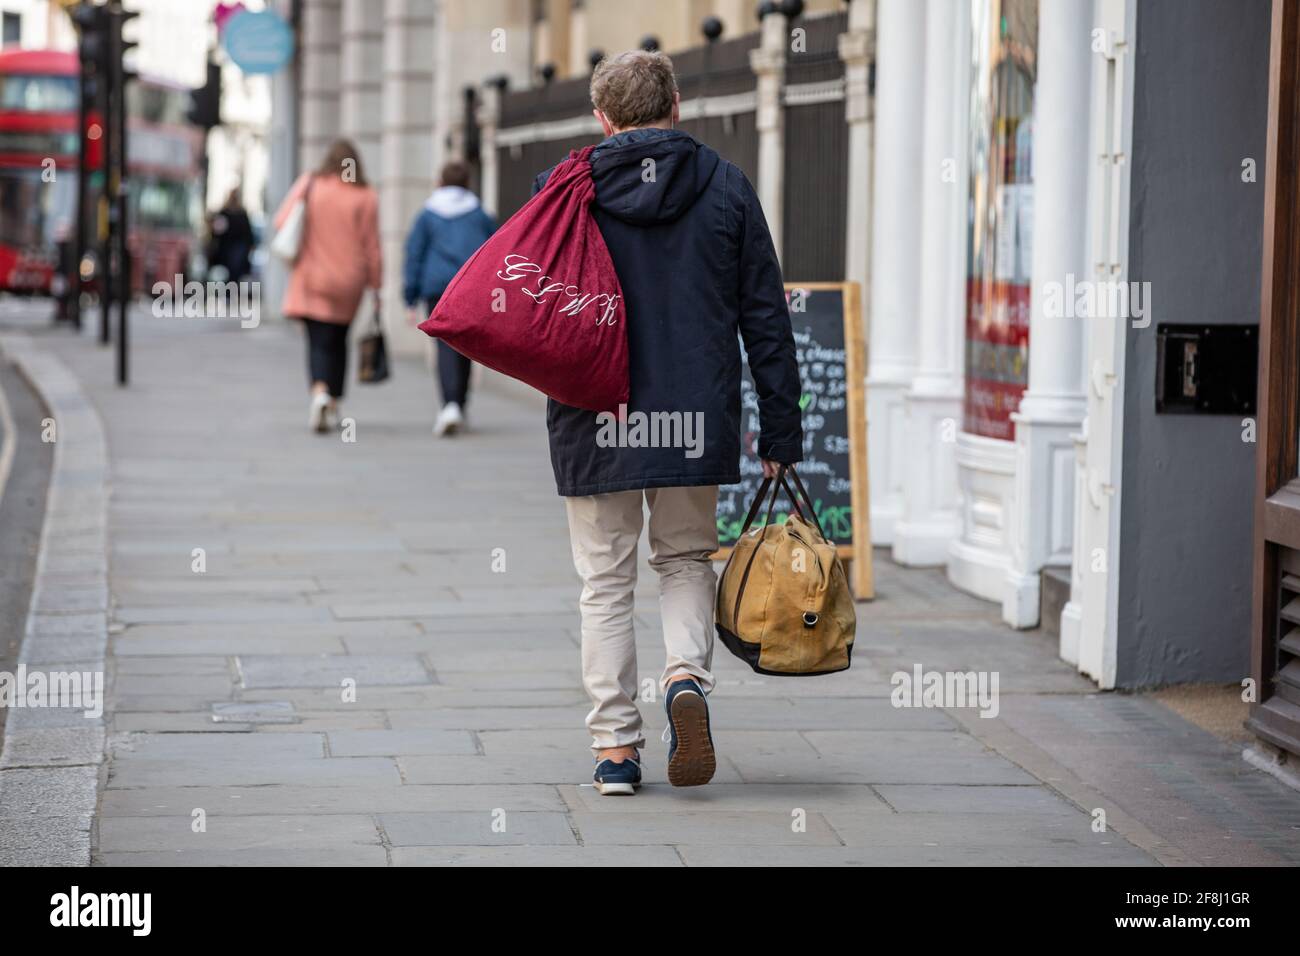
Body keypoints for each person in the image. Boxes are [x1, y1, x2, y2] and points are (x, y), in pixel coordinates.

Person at [533, 51, 802, 795]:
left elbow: (530, 299)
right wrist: (781, 430)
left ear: (601, 118)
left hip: (597, 412)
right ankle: (685, 678)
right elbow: (766, 320)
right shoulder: (725, 186)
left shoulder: (567, 189)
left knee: (604, 580)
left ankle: (616, 750)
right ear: (677, 106)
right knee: (685, 560)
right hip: (693, 412)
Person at [273, 140, 382, 433]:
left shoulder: (311, 184)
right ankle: (333, 400)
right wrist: (376, 285)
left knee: (318, 340)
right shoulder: (365, 195)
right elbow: (372, 247)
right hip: (350, 281)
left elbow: (281, 220)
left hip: (312, 276)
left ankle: (320, 392)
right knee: (338, 339)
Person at [403, 161, 496, 436]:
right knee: (465, 345)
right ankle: (459, 404)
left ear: (440, 182)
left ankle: (449, 405)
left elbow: (414, 255)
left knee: (444, 346)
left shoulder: (428, 215)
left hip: (436, 288)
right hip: (470, 286)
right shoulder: (479, 214)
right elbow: (496, 250)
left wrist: (409, 297)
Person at [208, 186, 255, 283]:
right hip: (227, 249)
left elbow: (247, 233)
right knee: (227, 273)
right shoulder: (224, 213)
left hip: (238, 249)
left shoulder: (241, 213)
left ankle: (232, 291)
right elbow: (216, 231)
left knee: (235, 272)